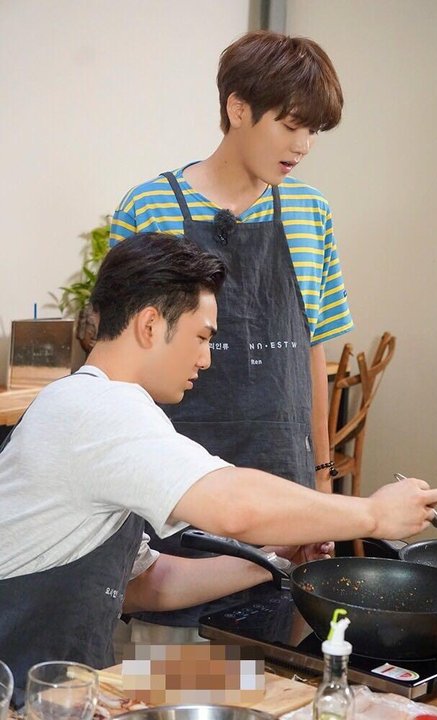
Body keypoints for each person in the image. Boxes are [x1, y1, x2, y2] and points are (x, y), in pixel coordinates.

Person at [0, 233, 437, 698]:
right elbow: (234, 506)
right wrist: (373, 513)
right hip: (22, 695)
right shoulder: (100, 408)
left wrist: (274, 559)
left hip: (74, 685)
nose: (206, 359)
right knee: (280, 693)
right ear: (150, 325)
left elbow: (148, 584)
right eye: (202, 337)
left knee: (259, 687)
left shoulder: (83, 402)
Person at [109, 29, 353, 633]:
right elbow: (120, 368)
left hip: (280, 492)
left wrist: (321, 486)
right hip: (174, 491)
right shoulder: (149, 207)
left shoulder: (311, 212)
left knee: (270, 666)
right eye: (291, 125)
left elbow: (312, 353)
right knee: (169, 669)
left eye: (314, 131)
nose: (302, 146)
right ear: (238, 108)